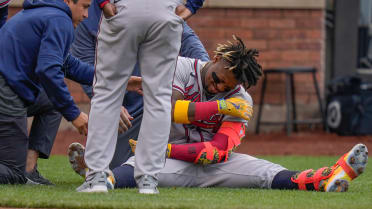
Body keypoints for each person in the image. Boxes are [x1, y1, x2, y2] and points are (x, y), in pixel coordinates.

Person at [70, 36, 368, 192]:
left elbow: (217, 152)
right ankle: (100, 176)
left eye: (227, 87)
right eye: (218, 78)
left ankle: (326, 178)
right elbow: (170, 111)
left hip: (202, 160)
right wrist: (218, 107)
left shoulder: (241, 99)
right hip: (164, 158)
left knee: (263, 170)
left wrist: (173, 147)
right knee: (139, 165)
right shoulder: (181, 67)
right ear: (215, 59)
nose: (219, 87)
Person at [0, 0, 140, 185]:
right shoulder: (59, 19)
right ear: (67, 1)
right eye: (84, 6)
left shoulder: (48, 14)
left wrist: (119, 81)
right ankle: (20, 172)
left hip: (12, 87)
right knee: (12, 174)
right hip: (6, 89)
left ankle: (28, 170)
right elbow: (48, 71)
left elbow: (68, 65)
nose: (86, 15)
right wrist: (74, 114)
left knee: (52, 102)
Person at [77, 0, 205, 194]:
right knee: (159, 97)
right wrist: (192, 6)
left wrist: (103, 3)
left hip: (125, 8)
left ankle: (97, 177)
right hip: (165, 10)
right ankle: (148, 179)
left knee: (107, 93)